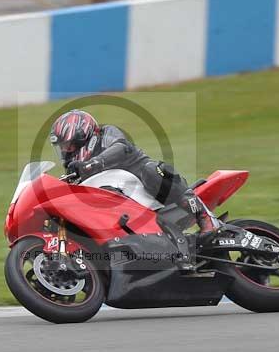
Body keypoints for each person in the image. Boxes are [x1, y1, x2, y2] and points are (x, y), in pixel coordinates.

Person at [49, 109, 218, 257]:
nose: (65, 151)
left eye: (69, 146)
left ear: (84, 139)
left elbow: (121, 147)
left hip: (151, 191)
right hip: (127, 214)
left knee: (152, 171)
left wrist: (93, 163)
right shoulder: (75, 168)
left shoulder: (107, 134)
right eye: (62, 148)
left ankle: (203, 216)